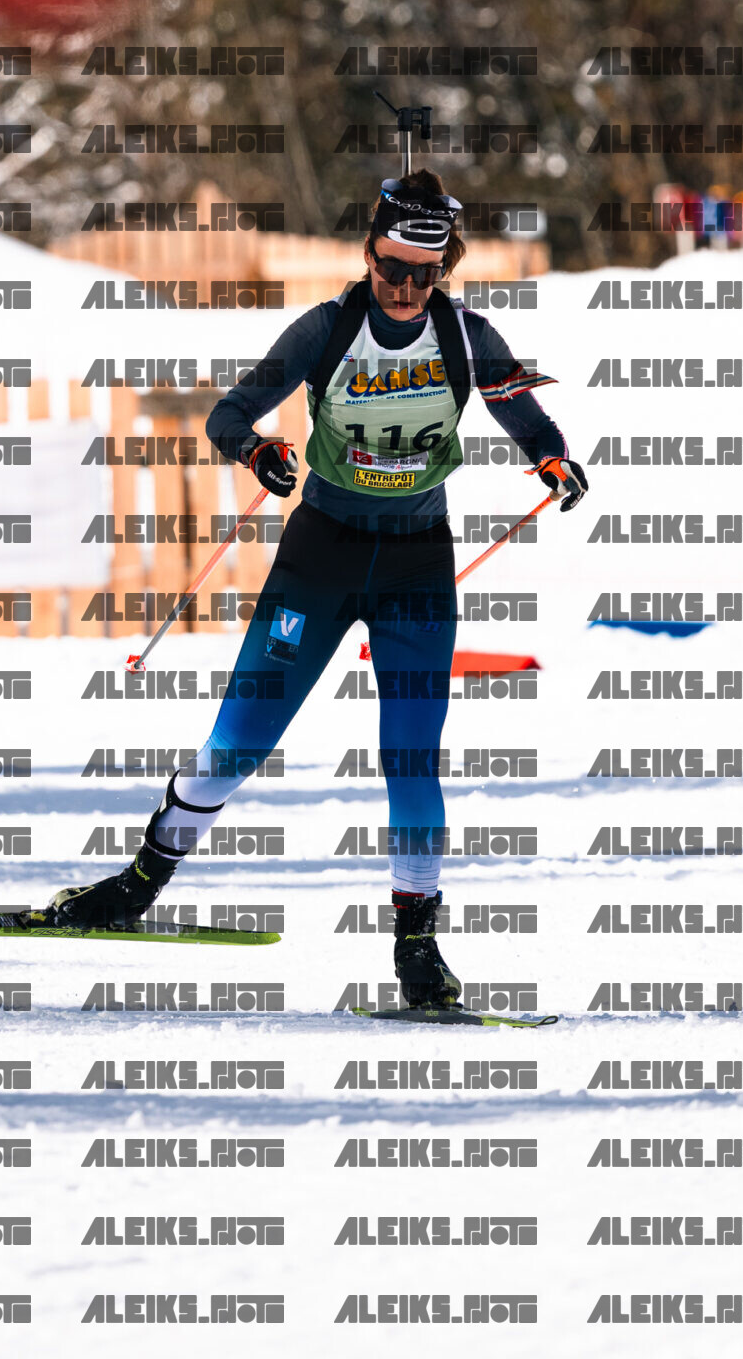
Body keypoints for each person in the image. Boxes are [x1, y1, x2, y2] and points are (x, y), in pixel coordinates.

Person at [40, 170, 587, 1014]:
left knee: (411, 757)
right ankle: (138, 882)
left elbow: (521, 413)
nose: (403, 289)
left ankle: (416, 947)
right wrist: (258, 452)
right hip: (321, 555)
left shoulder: (465, 334)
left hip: (414, 564)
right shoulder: (326, 329)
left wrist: (552, 459)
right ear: (368, 255)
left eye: (423, 275)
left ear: (443, 270)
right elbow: (228, 415)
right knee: (238, 744)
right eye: (390, 269)